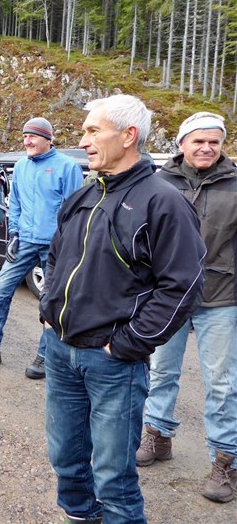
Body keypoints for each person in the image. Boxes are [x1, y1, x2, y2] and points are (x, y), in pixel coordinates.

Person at [40, 95, 206, 524]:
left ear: (129, 136)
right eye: (84, 132)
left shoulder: (162, 201)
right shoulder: (83, 194)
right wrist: (47, 306)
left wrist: (130, 343)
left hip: (112, 361)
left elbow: (182, 285)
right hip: (60, 350)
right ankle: (80, 516)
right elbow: (56, 254)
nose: (83, 140)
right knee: (67, 460)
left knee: (113, 475)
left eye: (93, 131)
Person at [136, 112, 237, 503]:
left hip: (221, 295)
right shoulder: (160, 182)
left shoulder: (234, 182)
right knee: (161, 370)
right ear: (181, 144)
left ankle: (225, 461)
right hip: (169, 295)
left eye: (214, 141)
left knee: (223, 384)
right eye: (198, 141)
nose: (206, 148)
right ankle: (158, 436)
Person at [0, 118, 82, 379]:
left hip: (54, 245)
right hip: (25, 240)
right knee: (0, 290)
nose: (27, 141)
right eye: (25, 136)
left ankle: (46, 356)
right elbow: (14, 203)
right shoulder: (22, 166)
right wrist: (14, 233)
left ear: (48, 139)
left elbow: (74, 210)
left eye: (33, 137)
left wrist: (65, 243)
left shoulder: (67, 167)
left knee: (52, 301)